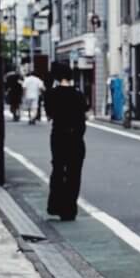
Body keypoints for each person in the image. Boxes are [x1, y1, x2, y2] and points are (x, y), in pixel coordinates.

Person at [45, 63, 87, 222]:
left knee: (58, 169)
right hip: (76, 138)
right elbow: (83, 116)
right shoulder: (79, 95)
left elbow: (49, 115)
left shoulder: (51, 95)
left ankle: (56, 205)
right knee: (74, 173)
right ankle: (70, 209)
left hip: (58, 137)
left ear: (56, 76)